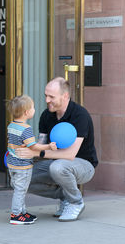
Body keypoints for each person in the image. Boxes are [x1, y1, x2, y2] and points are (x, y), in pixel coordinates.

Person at [15, 77, 98, 222]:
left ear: (65, 96)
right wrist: (24, 152)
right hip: (55, 163)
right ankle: (65, 197)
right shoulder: (46, 115)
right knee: (20, 177)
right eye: (46, 96)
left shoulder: (80, 115)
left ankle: (75, 202)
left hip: (84, 165)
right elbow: (41, 147)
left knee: (58, 166)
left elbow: (70, 154)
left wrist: (37, 152)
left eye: (51, 97)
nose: (47, 100)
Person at [6, 95, 57, 225]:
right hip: (23, 165)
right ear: (27, 112)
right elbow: (33, 146)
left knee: (19, 189)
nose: (35, 110)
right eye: (33, 107)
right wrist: (48, 146)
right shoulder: (26, 129)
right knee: (20, 190)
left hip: (12, 164)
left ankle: (22, 212)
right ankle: (16, 215)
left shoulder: (11, 126)